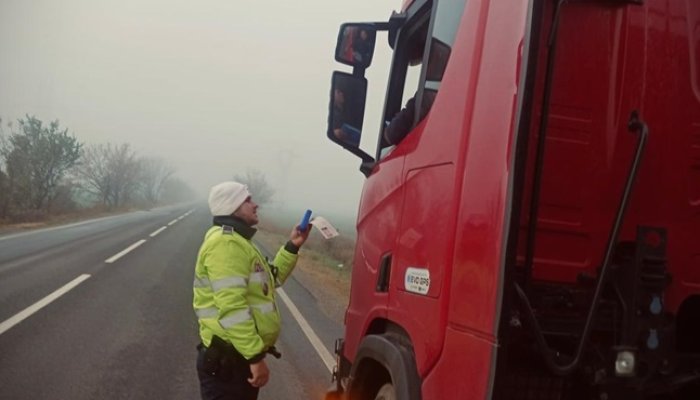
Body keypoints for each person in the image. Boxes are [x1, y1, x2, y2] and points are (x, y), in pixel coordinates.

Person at [193, 181, 311, 400]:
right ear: (232, 206)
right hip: (230, 364)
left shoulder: (239, 241)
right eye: (247, 200)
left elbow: (269, 280)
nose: (255, 205)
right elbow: (232, 308)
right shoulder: (226, 244)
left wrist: (293, 245)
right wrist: (255, 358)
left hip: (236, 359)